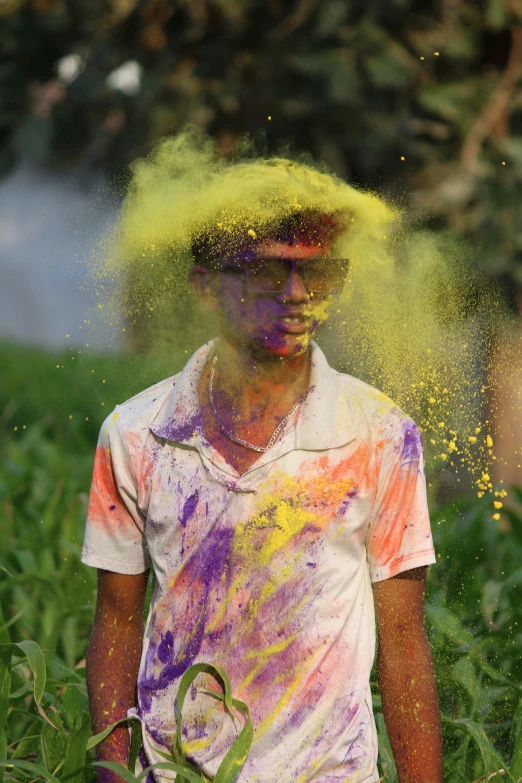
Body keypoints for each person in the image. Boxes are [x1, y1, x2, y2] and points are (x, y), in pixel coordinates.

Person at [82, 198, 443, 783]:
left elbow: (404, 636)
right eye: (269, 272)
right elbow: (118, 619)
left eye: (319, 273)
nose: (298, 293)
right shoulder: (137, 434)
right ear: (206, 286)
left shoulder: (379, 433)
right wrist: (112, 772)